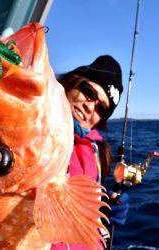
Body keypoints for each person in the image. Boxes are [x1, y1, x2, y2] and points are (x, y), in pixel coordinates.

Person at [51, 55, 129, 250]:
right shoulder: (36, 123)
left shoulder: (96, 151)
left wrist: (101, 206)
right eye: (88, 92)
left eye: (101, 108)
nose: (90, 106)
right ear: (71, 82)